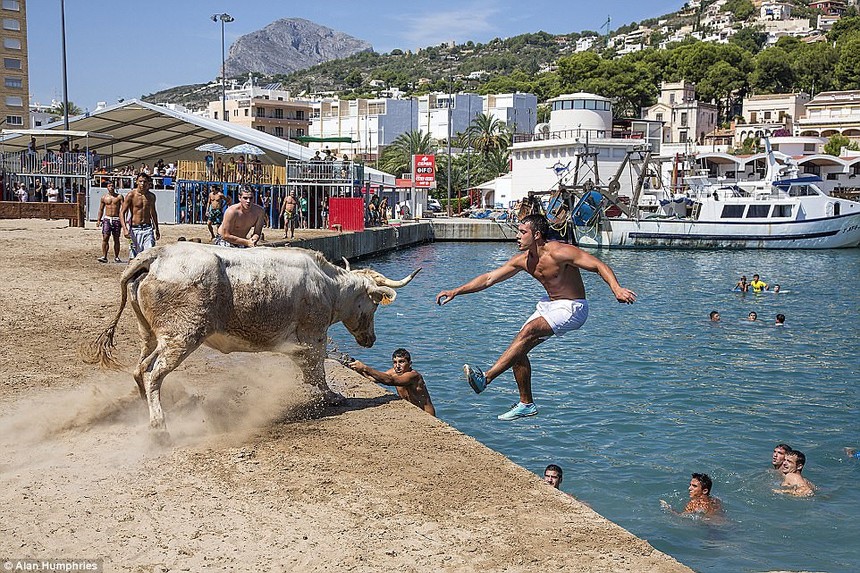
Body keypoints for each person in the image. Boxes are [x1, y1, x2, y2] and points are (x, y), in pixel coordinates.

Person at [435, 214, 636, 421]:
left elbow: (598, 265)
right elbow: (488, 279)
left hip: (573, 307)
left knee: (528, 331)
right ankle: (526, 404)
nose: (517, 236)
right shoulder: (524, 261)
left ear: (537, 235)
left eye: (523, 232)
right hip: (549, 305)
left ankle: (486, 378)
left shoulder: (560, 252)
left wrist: (616, 288)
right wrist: (456, 291)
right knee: (518, 349)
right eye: (518, 231)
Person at [347, 348, 436, 416]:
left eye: (401, 362)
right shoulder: (393, 372)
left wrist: (365, 368)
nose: (397, 366)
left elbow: (390, 380)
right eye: (395, 362)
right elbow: (373, 379)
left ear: (410, 363)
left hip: (426, 414)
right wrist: (356, 368)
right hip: (411, 412)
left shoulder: (413, 376)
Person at [120, 173, 160, 259]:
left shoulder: (151, 196)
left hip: (147, 228)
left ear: (148, 183)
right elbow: (122, 212)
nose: (142, 184)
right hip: (135, 229)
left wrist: (157, 228)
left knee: (149, 254)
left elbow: (153, 213)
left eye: (144, 182)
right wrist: (125, 229)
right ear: (136, 182)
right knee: (133, 256)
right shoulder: (131, 195)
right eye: (140, 181)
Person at [96, 182, 124, 263]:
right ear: (107, 187)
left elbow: (123, 209)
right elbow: (101, 209)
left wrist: (123, 220)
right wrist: (98, 220)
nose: (111, 187)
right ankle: (104, 256)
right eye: (109, 186)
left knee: (116, 238)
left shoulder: (119, 197)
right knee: (105, 237)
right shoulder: (104, 197)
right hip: (107, 219)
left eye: (112, 186)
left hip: (116, 219)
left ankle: (116, 256)